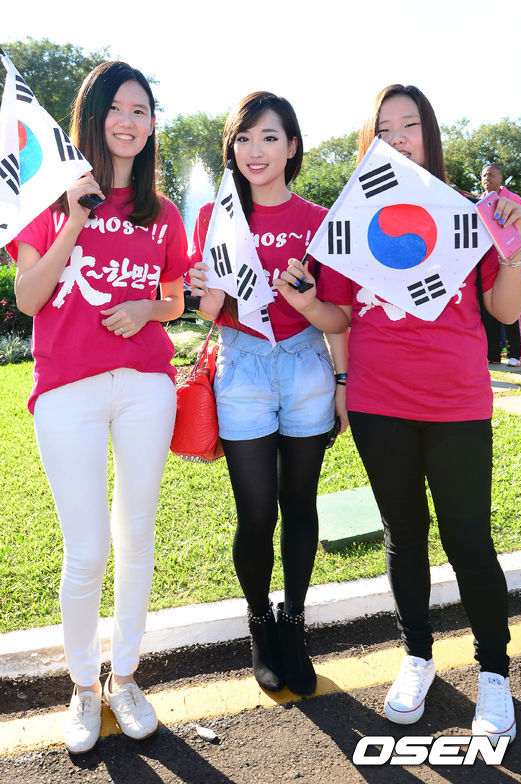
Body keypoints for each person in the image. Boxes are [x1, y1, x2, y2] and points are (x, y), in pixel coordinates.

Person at [276, 85, 521, 744]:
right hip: (379, 402)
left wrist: (514, 248)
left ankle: (494, 673)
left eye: (409, 125)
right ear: (370, 143)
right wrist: (305, 304)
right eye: (383, 129)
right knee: (403, 534)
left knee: (469, 538)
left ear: (429, 134)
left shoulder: (468, 213)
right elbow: (340, 316)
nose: (397, 138)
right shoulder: (352, 219)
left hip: (457, 402)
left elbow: (505, 311)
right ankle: (417, 656)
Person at [7, 61, 189, 754]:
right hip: (67, 390)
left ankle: (127, 677)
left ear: (152, 124)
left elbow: (175, 301)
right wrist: (75, 218)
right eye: (116, 108)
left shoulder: (162, 212)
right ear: (90, 116)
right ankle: (84, 686)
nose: (129, 121)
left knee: (136, 537)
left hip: (145, 386)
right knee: (85, 549)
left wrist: (147, 307)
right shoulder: (47, 200)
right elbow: (29, 298)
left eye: (141, 110)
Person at [188, 91, 350, 697]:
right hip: (243, 370)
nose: (255, 150)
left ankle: (294, 626)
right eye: (244, 138)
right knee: (256, 512)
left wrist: (338, 376)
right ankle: (260, 623)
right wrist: (204, 297)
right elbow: (208, 309)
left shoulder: (320, 221)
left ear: (292, 146)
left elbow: (339, 317)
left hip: (307, 367)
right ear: (231, 147)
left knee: (300, 503)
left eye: (270, 137)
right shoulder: (216, 217)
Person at [480, 163, 521, 367]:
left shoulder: (514, 200)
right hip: (485, 262)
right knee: (487, 308)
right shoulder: (479, 202)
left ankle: (515, 353)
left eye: (491, 174)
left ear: (500, 177)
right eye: (484, 175)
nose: (487, 178)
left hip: (508, 260)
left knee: (512, 310)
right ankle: (492, 353)